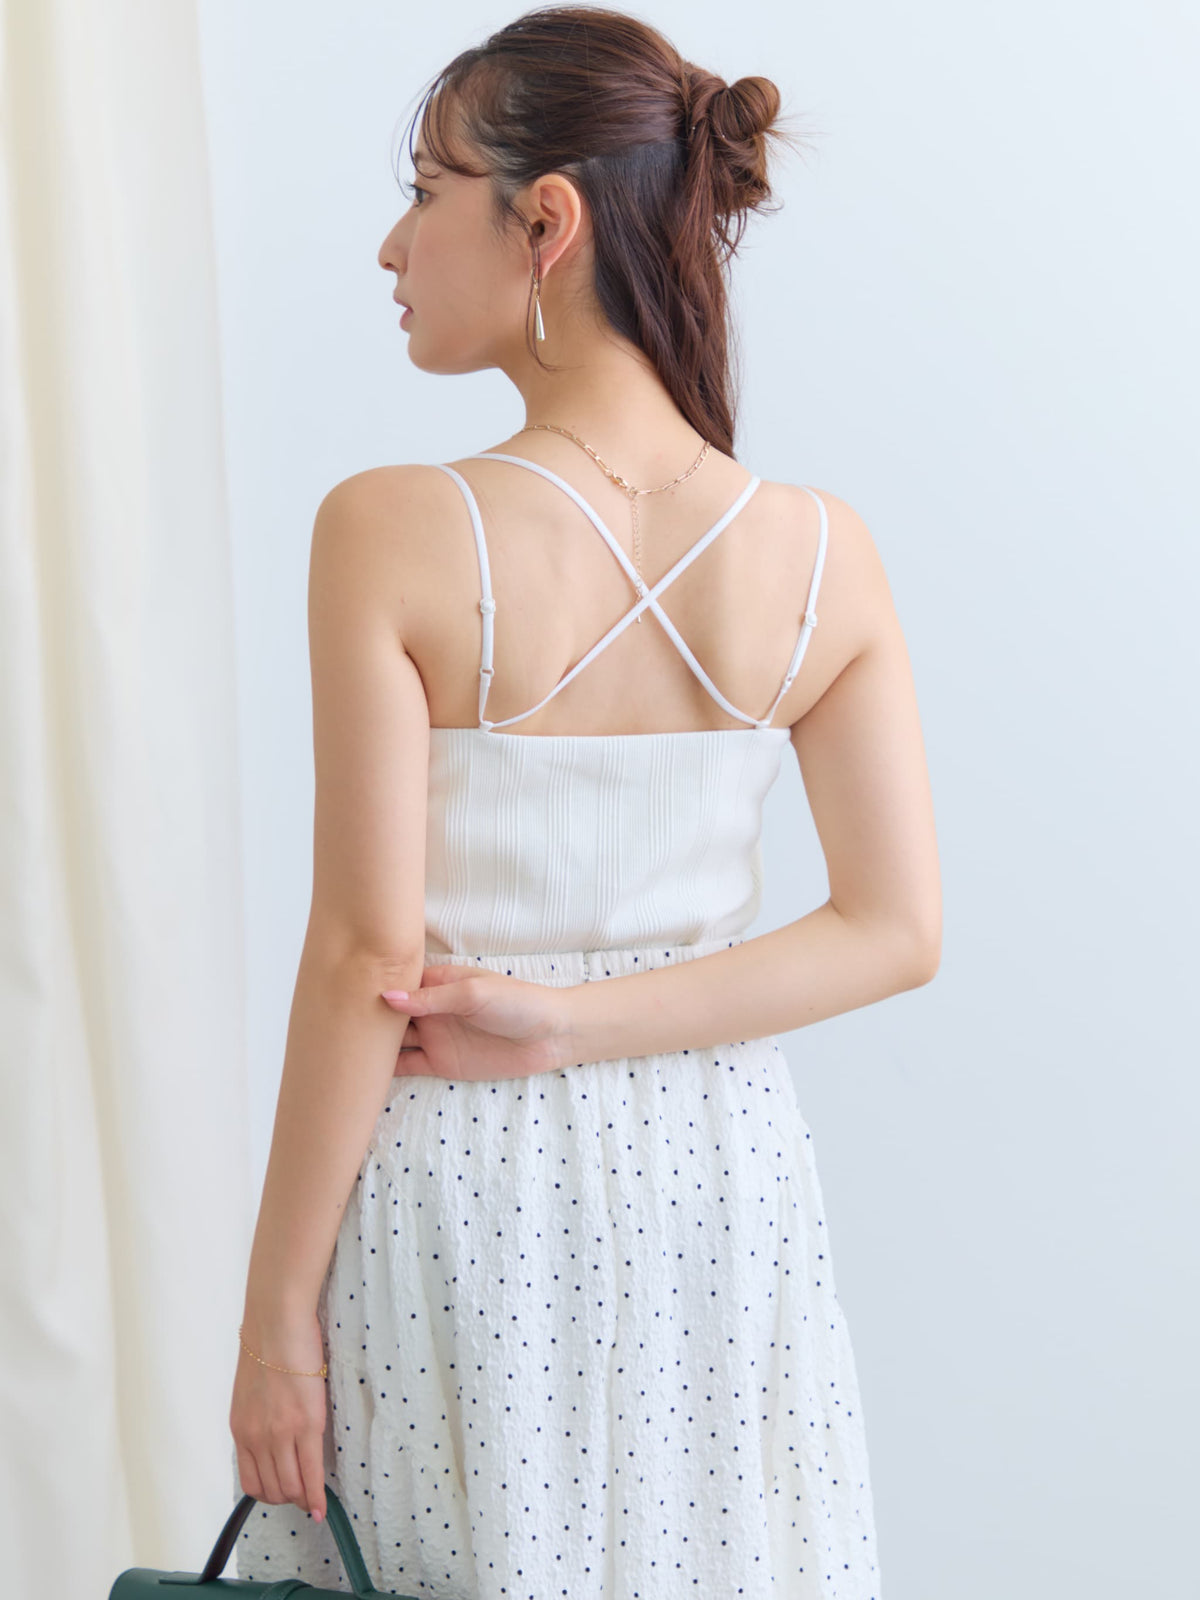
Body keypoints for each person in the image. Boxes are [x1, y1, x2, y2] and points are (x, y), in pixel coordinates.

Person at [228, 7, 941, 1596]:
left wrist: (277, 1321)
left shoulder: (392, 529)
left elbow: (365, 959)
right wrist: (571, 1022)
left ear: (545, 220)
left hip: (461, 1190)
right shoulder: (825, 554)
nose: (392, 245)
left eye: (426, 191)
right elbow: (896, 930)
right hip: (722, 1185)